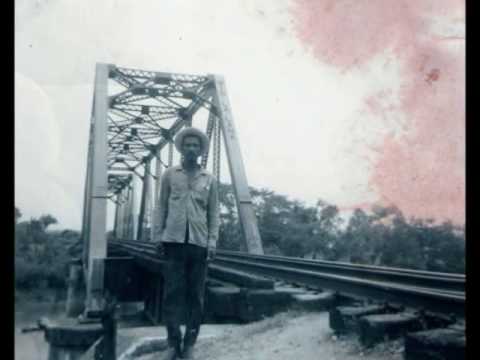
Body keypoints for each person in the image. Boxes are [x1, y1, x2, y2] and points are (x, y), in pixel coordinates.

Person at [155, 127, 219, 360]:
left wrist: (212, 242)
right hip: (173, 241)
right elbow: (161, 206)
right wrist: (157, 236)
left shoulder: (208, 179)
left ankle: (190, 344)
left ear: (201, 150)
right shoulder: (170, 175)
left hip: (199, 243)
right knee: (172, 294)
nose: (192, 149)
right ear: (182, 148)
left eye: (196, 146)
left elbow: (213, 214)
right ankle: (173, 344)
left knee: (196, 295)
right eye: (188, 145)